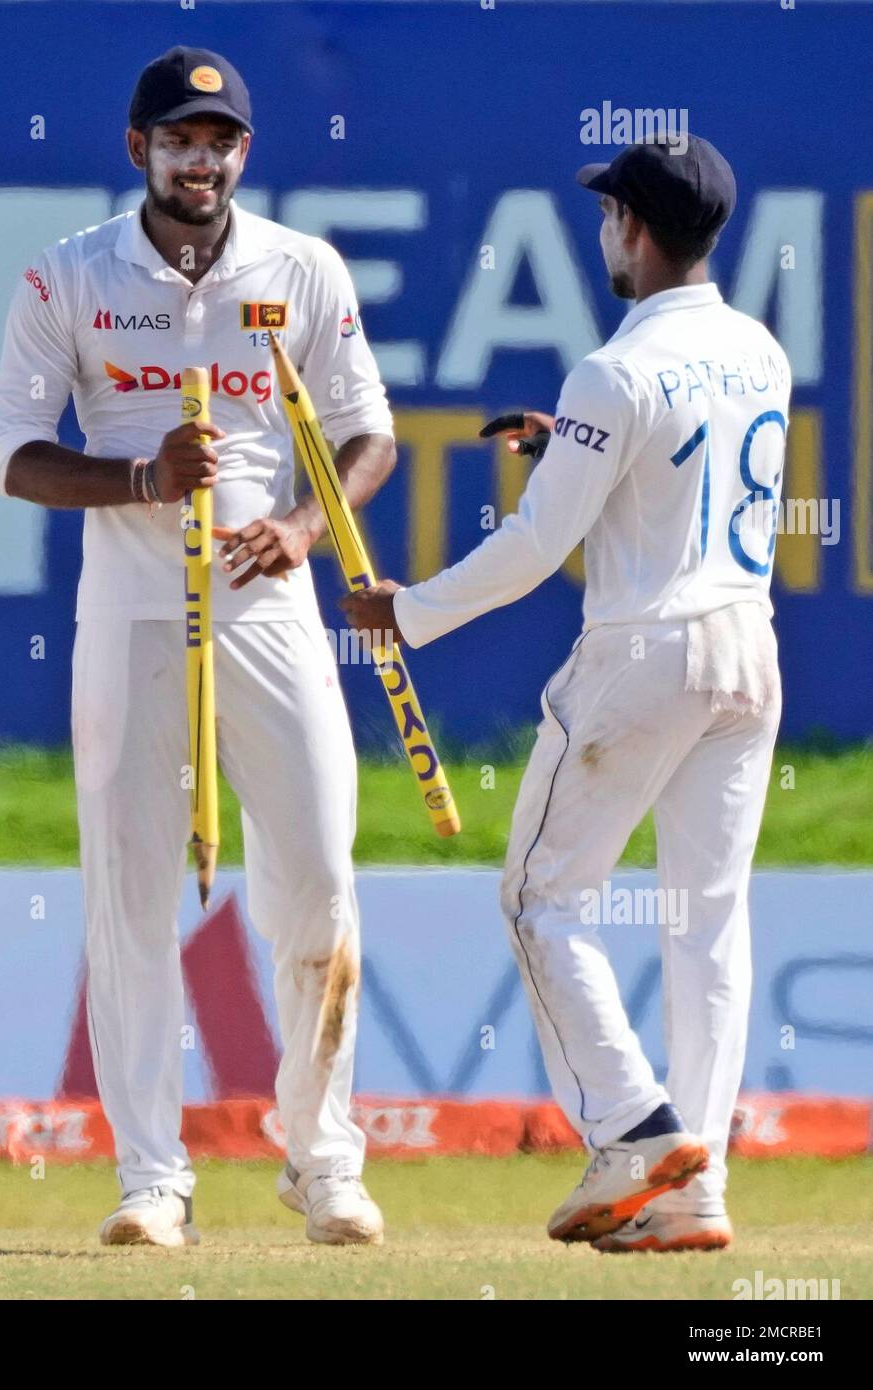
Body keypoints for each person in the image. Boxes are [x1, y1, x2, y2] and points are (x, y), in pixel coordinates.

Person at [341, 137, 790, 1253]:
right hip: (747, 645)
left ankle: (633, 1128)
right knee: (708, 926)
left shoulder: (614, 369)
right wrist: (567, 445)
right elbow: (670, 463)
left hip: (645, 653)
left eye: (607, 219)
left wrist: (409, 613)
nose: (604, 238)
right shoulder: (761, 348)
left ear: (633, 228)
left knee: (542, 897)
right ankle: (698, 1190)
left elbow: (541, 547)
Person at [0, 46, 395, 1248]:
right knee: (128, 898)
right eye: (178, 141)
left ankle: (322, 1160)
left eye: (218, 142)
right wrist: (137, 474)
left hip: (268, 613)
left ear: (242, 156)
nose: (199, 161)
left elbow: (366, 434)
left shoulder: (302, 267)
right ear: (137, 151)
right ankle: (151, 1178)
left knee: (319, 872)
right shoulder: (68, 275)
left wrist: (306, 527)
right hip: (128, 618)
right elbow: (11, 454)